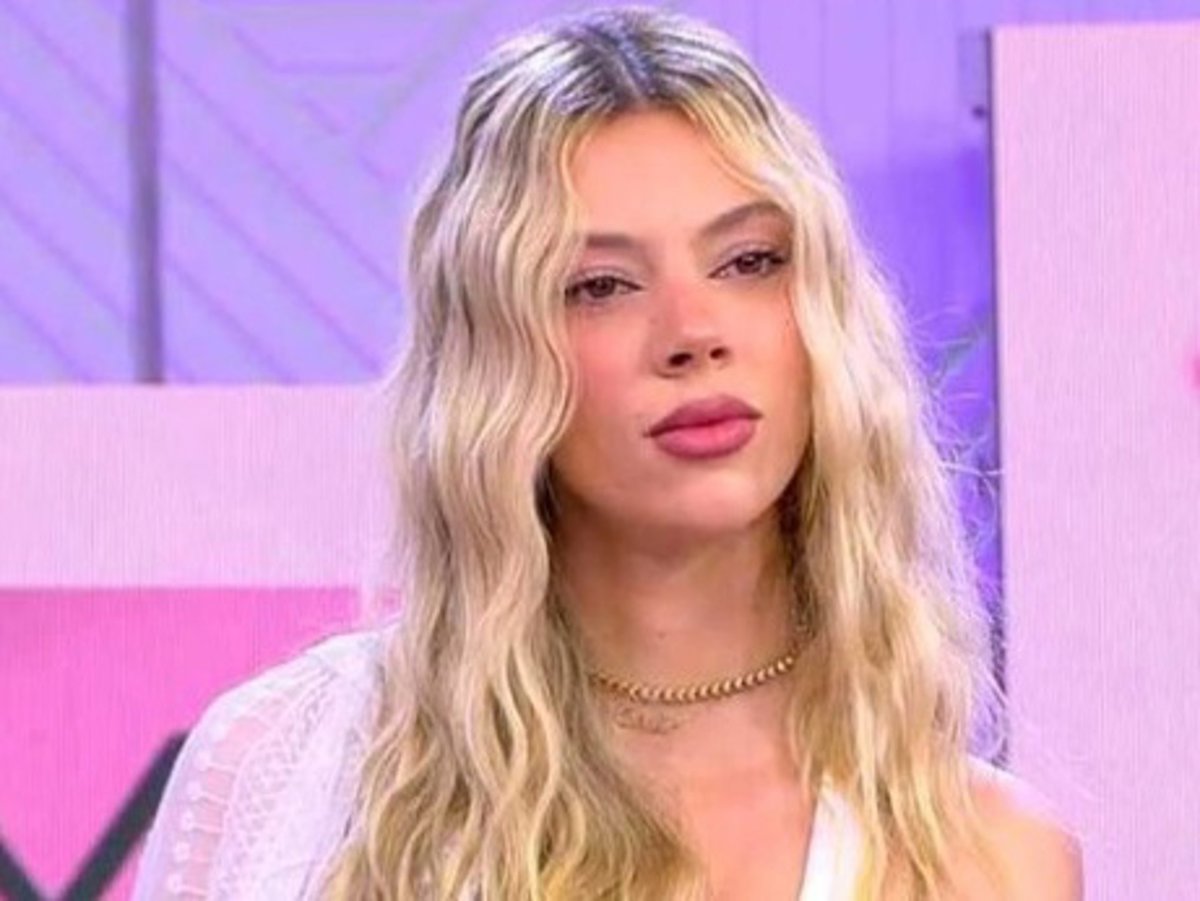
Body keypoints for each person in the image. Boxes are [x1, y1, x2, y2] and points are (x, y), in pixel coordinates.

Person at [131, 6, 1082, 899]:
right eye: (600, 285)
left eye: (748, 262)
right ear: (496, 359)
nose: (693, 332)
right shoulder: (291, 767)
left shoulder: (987, 857)